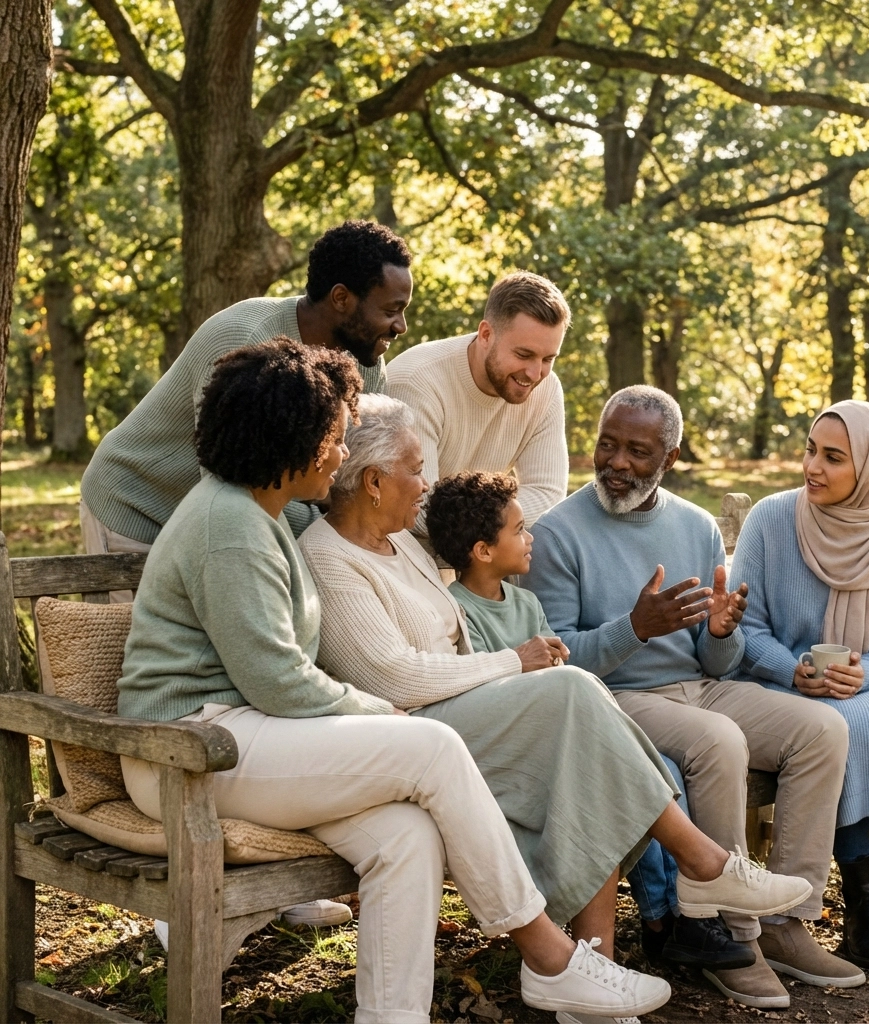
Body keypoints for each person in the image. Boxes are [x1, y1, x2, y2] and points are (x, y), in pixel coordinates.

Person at [115, 337, 683, 1024]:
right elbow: (280, 683)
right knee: (433, 749)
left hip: (243, 740)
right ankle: (550, 956)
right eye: (333, 437)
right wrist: (385, 715)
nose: (340, 455)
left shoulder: (252, 513)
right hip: (190, 750)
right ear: (291, 437)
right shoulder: (229, 526)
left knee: (406, 837)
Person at [298, 393, 816, 1020]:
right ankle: (700, 863)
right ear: (375, 482)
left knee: (582, 743)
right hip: (410, 736)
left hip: (468, 715)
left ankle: (592, 960)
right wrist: (515, 662)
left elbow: (473, 550)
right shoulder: (329, 558)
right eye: (415, 468)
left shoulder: (402, 541)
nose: (424, 482)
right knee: (573, 692)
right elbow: (395, 678)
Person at [524, 385, 865, 1010]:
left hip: (702, 687)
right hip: (616, 698)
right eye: (607, 444)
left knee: (821, 730)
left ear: (670, 457)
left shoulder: (696, 524)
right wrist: (636, 627)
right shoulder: (557, 534)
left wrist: (719, 631)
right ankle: (736, 940)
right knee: (719, 741)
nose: (617, 462)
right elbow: (560, 661)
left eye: (637, 450)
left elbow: (718, 663)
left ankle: (789, 921)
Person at [427, 470, 756, 976]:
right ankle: (668, 913)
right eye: (518, 530)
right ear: (483, 551)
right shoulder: (458, 612)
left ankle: (651, 931)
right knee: (607, 778)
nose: (530, 536)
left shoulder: (527, 602)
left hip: (563, 732)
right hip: (517, 754)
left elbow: (561, 672)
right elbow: (498, 697)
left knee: (641, 765)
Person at [729, 400, 869, 976]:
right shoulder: (772, 519)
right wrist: (793, 669)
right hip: (783, 685)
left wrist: (865, 674)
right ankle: (862, 907)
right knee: (835, 727)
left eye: (833, 457)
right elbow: (745, 629)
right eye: (810, 449)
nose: (813, 467)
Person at [80, 220, 413, 560]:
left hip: (233, 522)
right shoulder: (244, 339)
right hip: (138, 511)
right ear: (341, 298)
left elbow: (357, 474)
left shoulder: (362, 361)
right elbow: (230, 484)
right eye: (391, 311)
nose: (401, 326)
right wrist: (330, 522)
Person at [386, 271, 569, 537]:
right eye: (523, 354)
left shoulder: (547, 389)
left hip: (481, 555)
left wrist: (484, 521)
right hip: (405, 553)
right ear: (485, 334)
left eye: (548, 359)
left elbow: (547, 497)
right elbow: (419, 508)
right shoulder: (417, 381)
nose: (534, 373)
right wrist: (503, 521)